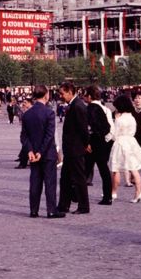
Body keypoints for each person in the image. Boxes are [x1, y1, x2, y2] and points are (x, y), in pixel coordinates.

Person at [22, 85, 63, 218]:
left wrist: (30, 151)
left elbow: (24, 136)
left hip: (33, 154)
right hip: (47, 153)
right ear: (46, 95)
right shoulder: (49, 113)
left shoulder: (27, 114)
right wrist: (41, 151)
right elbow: (49, 135)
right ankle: (51, 210)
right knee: (50, 183)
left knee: (35, 182)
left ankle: (34, 210)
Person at [57, 82, 90, 215]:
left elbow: (83, 129)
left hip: (75, 149)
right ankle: (64, 205)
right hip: (71, 149)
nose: (61, 96)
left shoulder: (78, 106)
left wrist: (85, 144)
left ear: (70, 92)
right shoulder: (74, 105)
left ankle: (83, 206)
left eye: (62, 93)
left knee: (78, 178)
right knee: (65, 178)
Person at [108, 95, 141, 203]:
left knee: (116, 169)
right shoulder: (132, 117)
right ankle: (138, 192)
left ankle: (113, 192)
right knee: (133, 169)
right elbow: (134, 131)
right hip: (131, 142)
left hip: (120, 142)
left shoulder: (119, 119)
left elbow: (114, 135)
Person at [84, 85, 115, 204]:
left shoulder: (91, 108)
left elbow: (93, 127)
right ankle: (108, 196)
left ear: (90, 97)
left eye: (85, 95)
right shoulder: (105, 108)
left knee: (86, 169)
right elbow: (108, 128)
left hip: (95, 142)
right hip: (105, 141)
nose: (84, 97)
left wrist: (89, 141)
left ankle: (77, 194)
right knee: (103, 169)